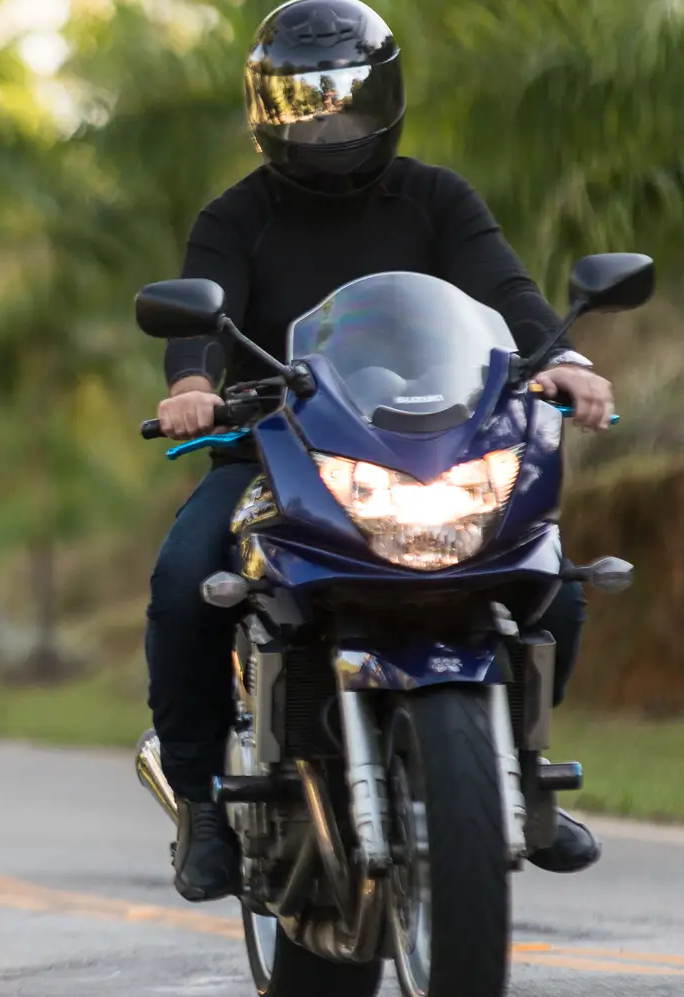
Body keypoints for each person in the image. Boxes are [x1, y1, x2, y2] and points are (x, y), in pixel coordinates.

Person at [149, 0, 619, 903]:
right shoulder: (235, 217)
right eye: (303, 102)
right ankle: (204, 804)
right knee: (183, 582)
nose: (327, 120)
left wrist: (561, 357)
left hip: (436, 447)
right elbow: (200, 320)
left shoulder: (436, 198)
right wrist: (191, 388)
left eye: (345, 98)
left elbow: (506, 289)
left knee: (551, 575)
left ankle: (514, 773)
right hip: (274, 452)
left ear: (385, 98)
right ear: (267, 111)